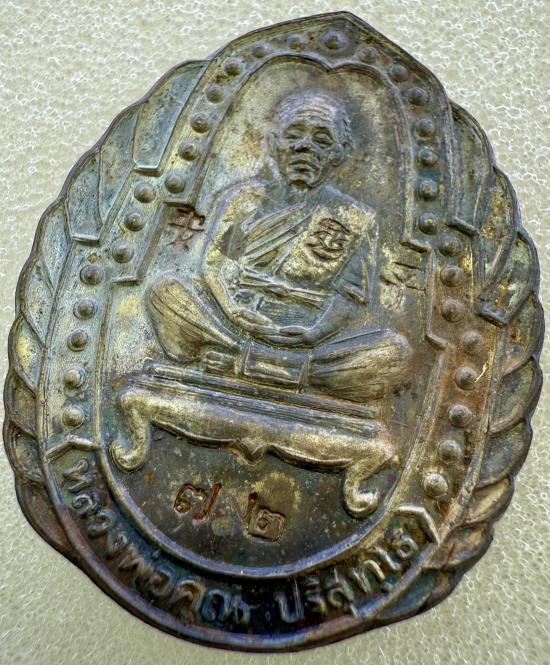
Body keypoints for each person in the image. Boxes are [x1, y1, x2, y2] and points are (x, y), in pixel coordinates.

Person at [111, 90, 412, 517]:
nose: (306, 147)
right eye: (295, 135)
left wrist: (311, 333)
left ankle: (254, 365)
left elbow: (349, 298)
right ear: (274, 142)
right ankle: (264, 364)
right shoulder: (244, 199)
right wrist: (233, 312)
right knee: (165, 292)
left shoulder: (351, 218)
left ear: (339, 154)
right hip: (230, 324)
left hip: (307, 340)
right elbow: (215, 266)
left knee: (392, 352)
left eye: (321, 139)